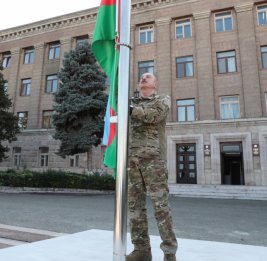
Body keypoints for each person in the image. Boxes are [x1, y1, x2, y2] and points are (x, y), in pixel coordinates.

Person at [127, 73, 178, 261]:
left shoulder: (162, 100)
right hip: (132, 161)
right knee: (135, 208)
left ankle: (169, 253)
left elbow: (154, 116)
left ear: (155, 84)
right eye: (141, 77)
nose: (143, 78)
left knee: (161, 207)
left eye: (147, 77)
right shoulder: (130, 102)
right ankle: (141, 250)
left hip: (153, 161)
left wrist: (132, 109)